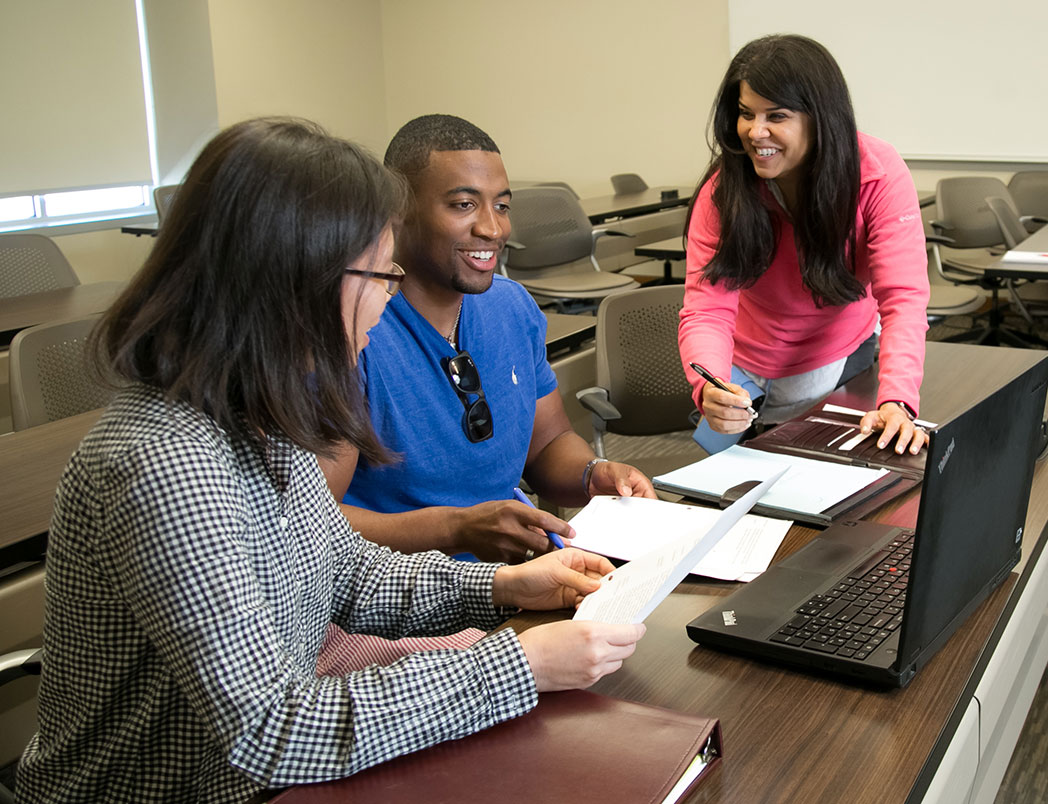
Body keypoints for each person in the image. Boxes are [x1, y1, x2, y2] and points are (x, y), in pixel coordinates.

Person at [15, 118, 644, 804]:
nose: (386, 297)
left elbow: (342, 574)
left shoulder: (262, 413)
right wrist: (516, 665)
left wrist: (502, 588)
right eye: (378, 274)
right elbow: (274, 729)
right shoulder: (165, 463)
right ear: (293, 282)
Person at [320, 114, 656, 567]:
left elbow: (548, 442)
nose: (493, 229)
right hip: (408, 596)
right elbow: (314, 524)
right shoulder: (354, 332)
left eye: (501, 206)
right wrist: (454, 529)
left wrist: (593, 475)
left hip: (525, 577)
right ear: (398, 213)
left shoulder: (512, 306)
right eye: (463, 205)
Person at [679, 34, 931, 455]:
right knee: (730, 486)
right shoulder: (722, 190)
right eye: (746, 114)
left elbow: (903, 299)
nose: (755, 132)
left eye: (776, 116)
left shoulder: (878, 174)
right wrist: (709, 386)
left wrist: (898, 399)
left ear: (820, 118)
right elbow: (706, 310)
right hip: (741, 363)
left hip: (834, 357)